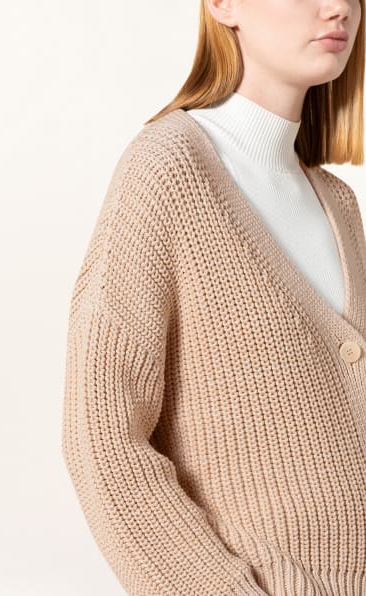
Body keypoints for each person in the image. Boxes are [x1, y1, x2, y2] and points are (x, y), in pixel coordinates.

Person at [61, 0, 366, 594]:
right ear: (222, 5)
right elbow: (101, 436)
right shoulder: (169, 169)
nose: (338, 9)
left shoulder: (338, 203)